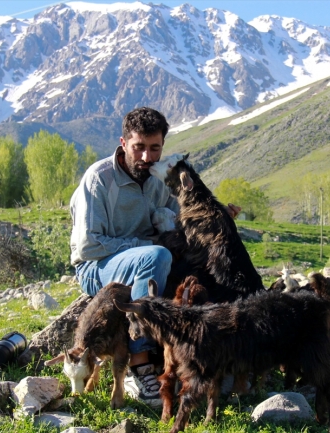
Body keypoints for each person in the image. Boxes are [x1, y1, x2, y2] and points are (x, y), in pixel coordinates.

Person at [69, 107, 239, 406]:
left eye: (155, 148)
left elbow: (180, 224)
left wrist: (218, 219)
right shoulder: (99, 179)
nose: (147, 157)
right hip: (98, 266)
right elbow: (88, 245)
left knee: (195, 263)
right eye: (139, 148)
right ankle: (139, 363)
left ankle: (210, 354)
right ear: (123, 143)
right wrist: (145, 244)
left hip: (145, 261)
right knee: (158, 255)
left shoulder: (159, 180)